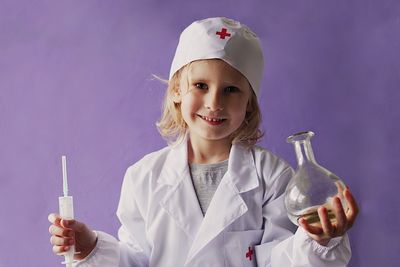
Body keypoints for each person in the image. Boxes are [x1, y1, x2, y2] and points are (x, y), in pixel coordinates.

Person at [48, 17, 358, 266]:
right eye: (200, 85)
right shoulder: (143, 177)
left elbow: (282, 259)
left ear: (249, 103)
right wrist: (91, 247)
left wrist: (318, 241)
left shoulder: (272, 176)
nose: (214, 102)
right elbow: (136, 259)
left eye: (231, 90)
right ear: (176, 92)